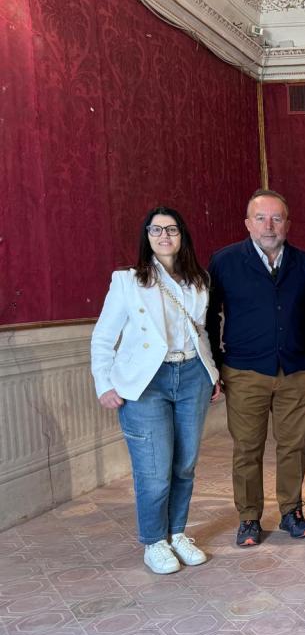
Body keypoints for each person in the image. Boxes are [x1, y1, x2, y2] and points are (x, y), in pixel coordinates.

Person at [91, 207, 219, 574]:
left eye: (172, 229)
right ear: (146, 236)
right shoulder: (128, 281)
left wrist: (211, 373)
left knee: (185, 465)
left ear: (182, 236)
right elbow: (103, 337)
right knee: (154, 470)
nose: (164, 236)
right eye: (156, 230)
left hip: (192, 374)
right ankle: (154, 541)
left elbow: (200, 331)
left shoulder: (198, 280)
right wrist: (104, 383)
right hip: (147, 382)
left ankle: (176, 533)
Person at [206, 189, 305, 548]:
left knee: (294, 446)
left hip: (295, 371)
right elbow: (208, 317)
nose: (269, 226)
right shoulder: (224, 262)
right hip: (244, 372)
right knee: (247, 448)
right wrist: (214, 366)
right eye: (261, 218)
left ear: (287, 223)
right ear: (248, 223)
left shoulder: (304, 263)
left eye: (276, 218)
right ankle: (249, 517)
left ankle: (291, 511)